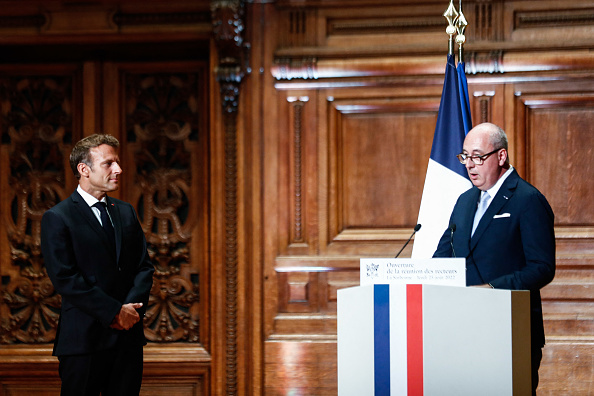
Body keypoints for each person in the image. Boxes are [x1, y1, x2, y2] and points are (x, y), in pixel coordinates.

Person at [433, 122, 555, 394]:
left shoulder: (528, 200)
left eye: (478, 156)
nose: (470, 164)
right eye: (465, 156)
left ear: (501, 156)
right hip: (462, 328)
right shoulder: (464, 200)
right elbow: (443, 255)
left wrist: (491, 290)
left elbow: (542, 267)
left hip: (510, 330)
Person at [41, 134, 154, 395]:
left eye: (118, 163)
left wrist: (130, 314)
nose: (119, 170)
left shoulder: (125, 211)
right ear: (84, 169)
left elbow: (143, 267)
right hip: (84, 342)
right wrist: (115, 312)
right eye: (109, 163)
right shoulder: (57, 217)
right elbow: (65, 278)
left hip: (128, 339)